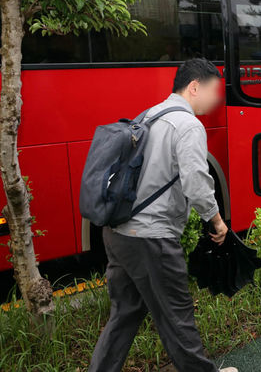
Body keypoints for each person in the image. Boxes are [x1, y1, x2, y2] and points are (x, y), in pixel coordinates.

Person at [90, 58, 238, 372]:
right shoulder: (188, 125)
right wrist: (216, 220)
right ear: (195, 86)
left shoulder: (151, 114)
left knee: (126, 312)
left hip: (118, 233)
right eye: (215, 90)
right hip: (150, 238)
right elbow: (196, 180)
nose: (218, 98)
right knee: (177, 312)